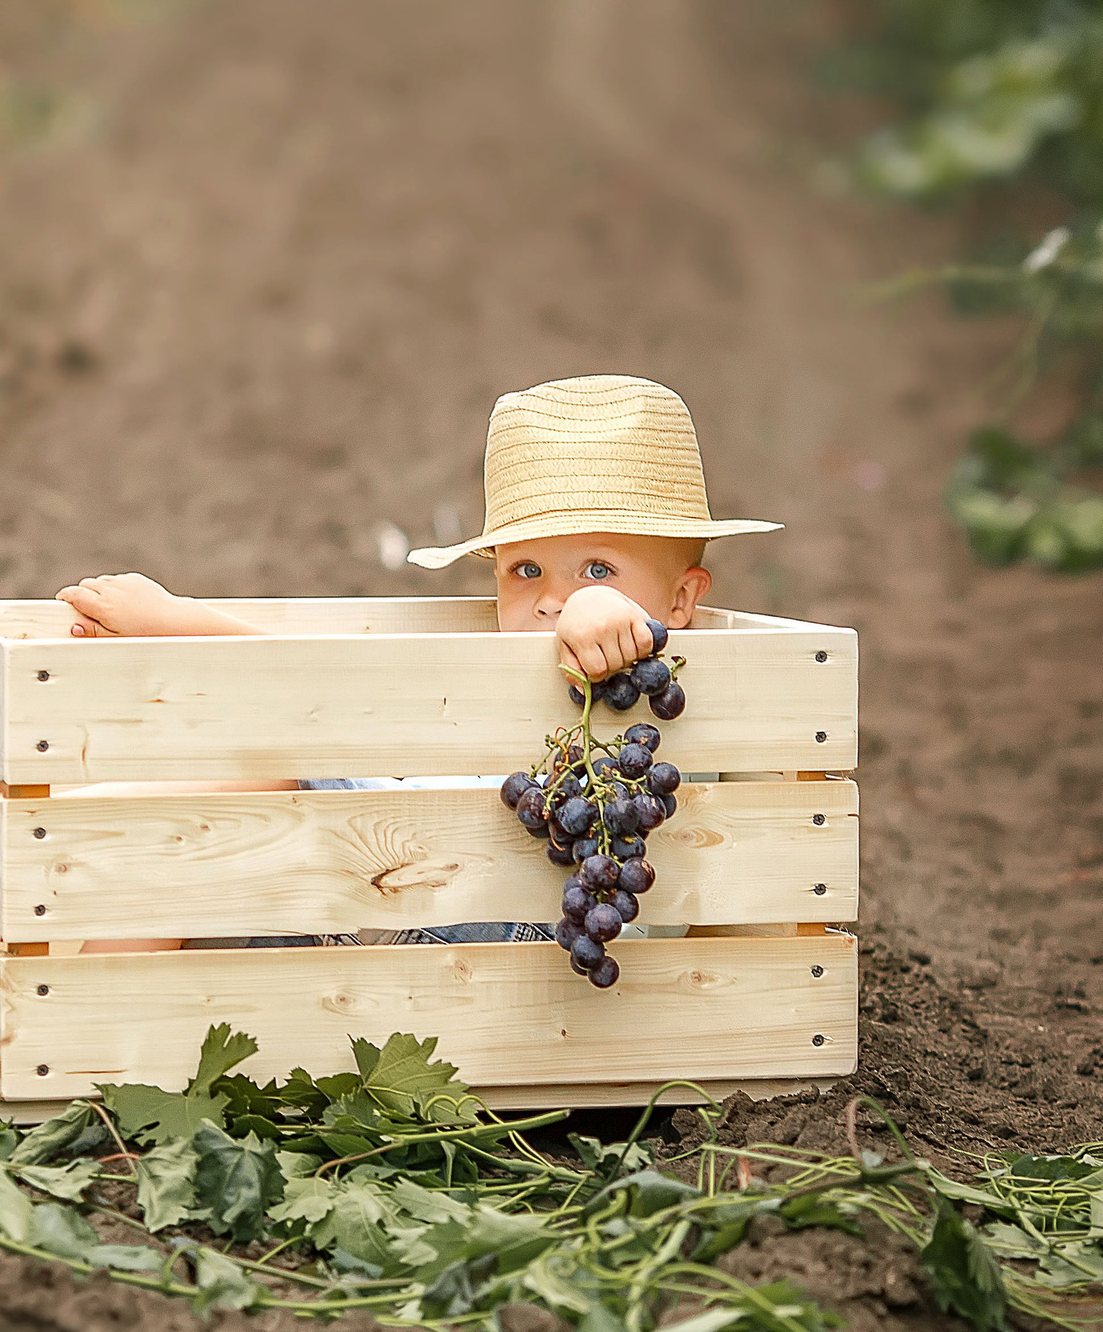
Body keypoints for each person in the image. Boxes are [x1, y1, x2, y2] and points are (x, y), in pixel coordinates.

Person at [53, 373, 780, 949]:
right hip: (413, 902)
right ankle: (79, 864)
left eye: (596, 568)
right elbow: (362, 716)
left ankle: (87, 1006)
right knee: (245, 766)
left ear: (682, 599)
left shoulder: (663, 690)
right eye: (526, 571)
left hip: (508, 929)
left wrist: (602, 610)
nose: (555, 600)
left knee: (276, 745)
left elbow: (340, 717)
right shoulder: (512, 681)